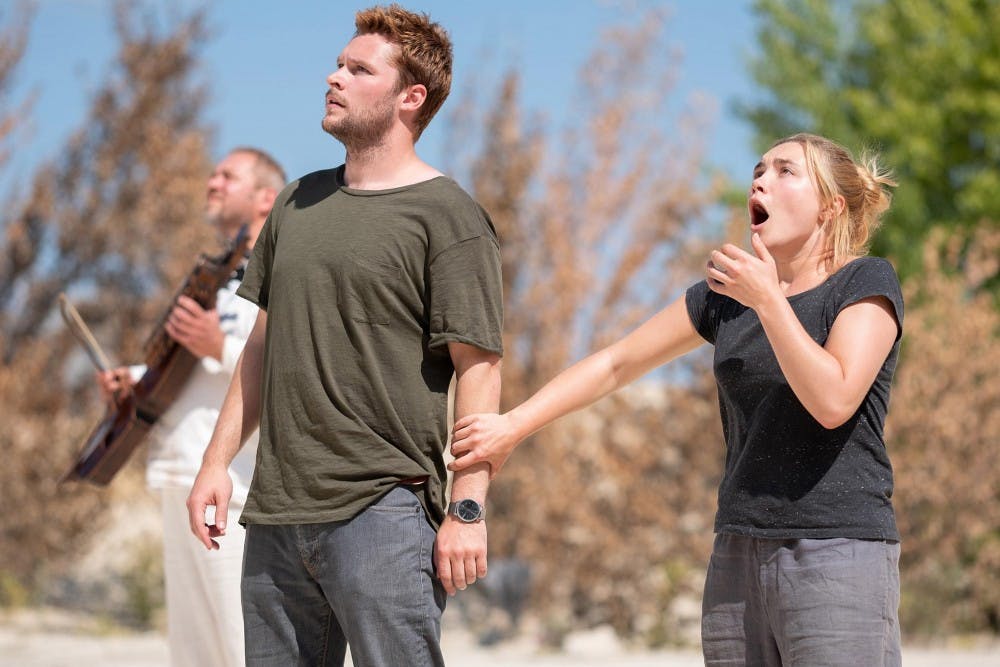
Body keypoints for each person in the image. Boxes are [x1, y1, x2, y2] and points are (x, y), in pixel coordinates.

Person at [450, 133, 904, 666]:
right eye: (759, 169)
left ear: (831, 206)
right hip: (737, 553)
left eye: (786, 171)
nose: (760, 179)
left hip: (837, 551)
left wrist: (768, 301)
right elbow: (616, 364)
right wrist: (512, 426)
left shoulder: (865, 282)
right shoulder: (723, 297)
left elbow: (834, 399)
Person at [186, 5, 503, 667]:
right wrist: (216, 462)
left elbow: (478, 369)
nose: (333, 77)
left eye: (358, 69)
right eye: (337, 64)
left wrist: (468, 506)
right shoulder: (297, 205)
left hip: (386, 509)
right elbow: (263, 347)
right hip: (275, 511)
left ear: (409, 97)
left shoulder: (449, 216)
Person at [97, 147, 285, 667]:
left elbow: (290, 372)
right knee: (194, 653)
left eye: (229, 175)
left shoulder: (284, 270)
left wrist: (216, 346)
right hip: (181, 478)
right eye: (213, 173)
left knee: (245, 647)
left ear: (266, 196)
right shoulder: (216, 276)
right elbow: (187, 374)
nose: (213, 181)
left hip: (239, 493)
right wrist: (133, 381)